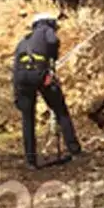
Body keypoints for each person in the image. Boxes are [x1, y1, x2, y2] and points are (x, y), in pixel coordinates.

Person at [13, 12, 82, 169]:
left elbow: (15, 68)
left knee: (27, 118)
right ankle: (74, 149)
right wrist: (52, 60)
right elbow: (53, 40)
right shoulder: (46, 29)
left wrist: (17, 93)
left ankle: (31, 161)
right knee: (60, 110)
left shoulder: (23, 41)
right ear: (48, 22)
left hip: (22, 79)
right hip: (40, 75)